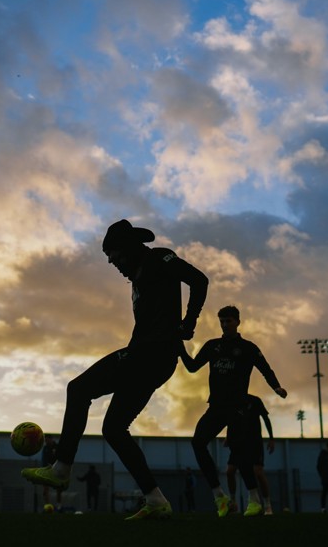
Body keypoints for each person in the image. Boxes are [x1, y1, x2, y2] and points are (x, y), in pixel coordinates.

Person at [20, 219, 208, 521]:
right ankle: (156, 500)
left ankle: (61, 468)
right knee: (114, 430)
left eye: (115, 257)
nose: (114, 264)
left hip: (151, 354)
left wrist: (190, 321)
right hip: (149, 357)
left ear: (130, 248)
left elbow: (199, 280)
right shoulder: (138, 277)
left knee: (78, 389)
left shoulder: (160, 258)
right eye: (109, 260)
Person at [179, 305, 287, 517]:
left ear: (238, 322)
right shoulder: (213, 346)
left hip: (238, 408)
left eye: (229, 321)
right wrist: (180, 348)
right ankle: (220, 496)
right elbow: (192, 367)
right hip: (216, 406)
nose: (225, 325)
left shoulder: (247, 348)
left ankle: (254, 500)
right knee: (197, 442)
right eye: (222, 321)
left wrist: (276, 387)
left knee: (240, 452)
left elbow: (265, 368)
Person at [222, 394, 276, 516]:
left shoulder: (255, 400)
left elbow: (265, 418)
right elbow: (232, 421)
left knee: (258, 472)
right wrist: (228, 436)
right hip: (238, 443)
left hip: (254, 442)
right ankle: (233, 503)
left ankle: (267, 505)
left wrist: (271, 438)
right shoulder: (233, 402)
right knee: (230, 471)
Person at [41, 435, 63, 512]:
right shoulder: (45, 448)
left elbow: (61, 458)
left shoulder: (57, 447)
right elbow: (43, 461)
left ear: (51, 439)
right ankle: (48, 506)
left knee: (59, 489)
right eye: (45, 441)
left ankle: (59, 506)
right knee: (45, 490)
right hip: (47, 471)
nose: (46, 442)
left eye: (47, 440)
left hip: (57, 470)